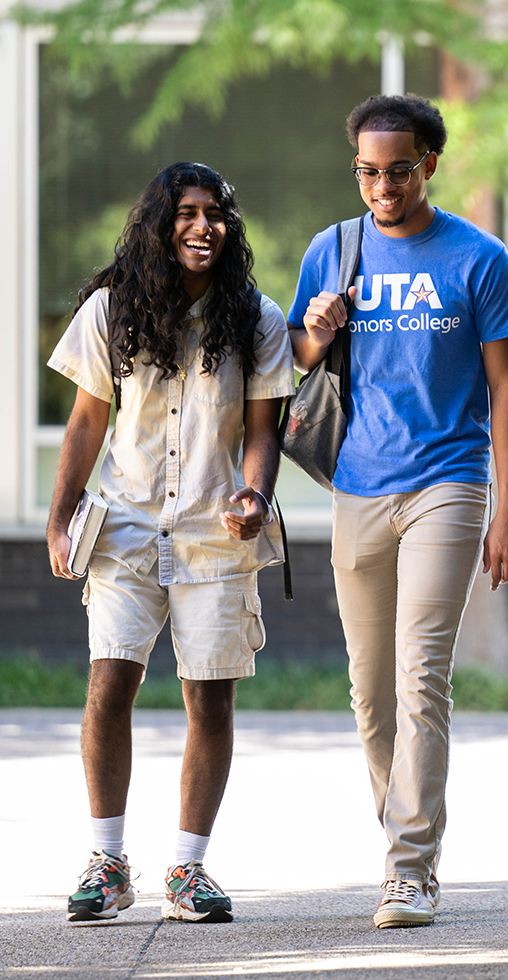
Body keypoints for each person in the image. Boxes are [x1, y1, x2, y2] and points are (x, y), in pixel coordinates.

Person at [287, 93, 508, 928]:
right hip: (357, 485)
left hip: (450, 480)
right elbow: (291, 365)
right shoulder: (334, 249)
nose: (381, 188)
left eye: (397, 171)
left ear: (429, 163)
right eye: (366, 173)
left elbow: (506, 388)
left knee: (422, 671)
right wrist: (316, 333)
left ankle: (409, 867)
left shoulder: (480, 257)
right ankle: (403, 836)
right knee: (370, 690)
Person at [47, 162, 296, 924]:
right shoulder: (109, 310)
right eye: (187, 212)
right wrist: (61, 516)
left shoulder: (255, 316)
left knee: (208, 698)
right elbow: (88, 419)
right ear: (161, 223)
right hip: (122, 527)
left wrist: (255, 495)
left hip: (213, 534)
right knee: (108, 686)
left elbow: (263, 432)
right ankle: (107, 860)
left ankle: (188, 869)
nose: (203, 226)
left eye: (216, 213)